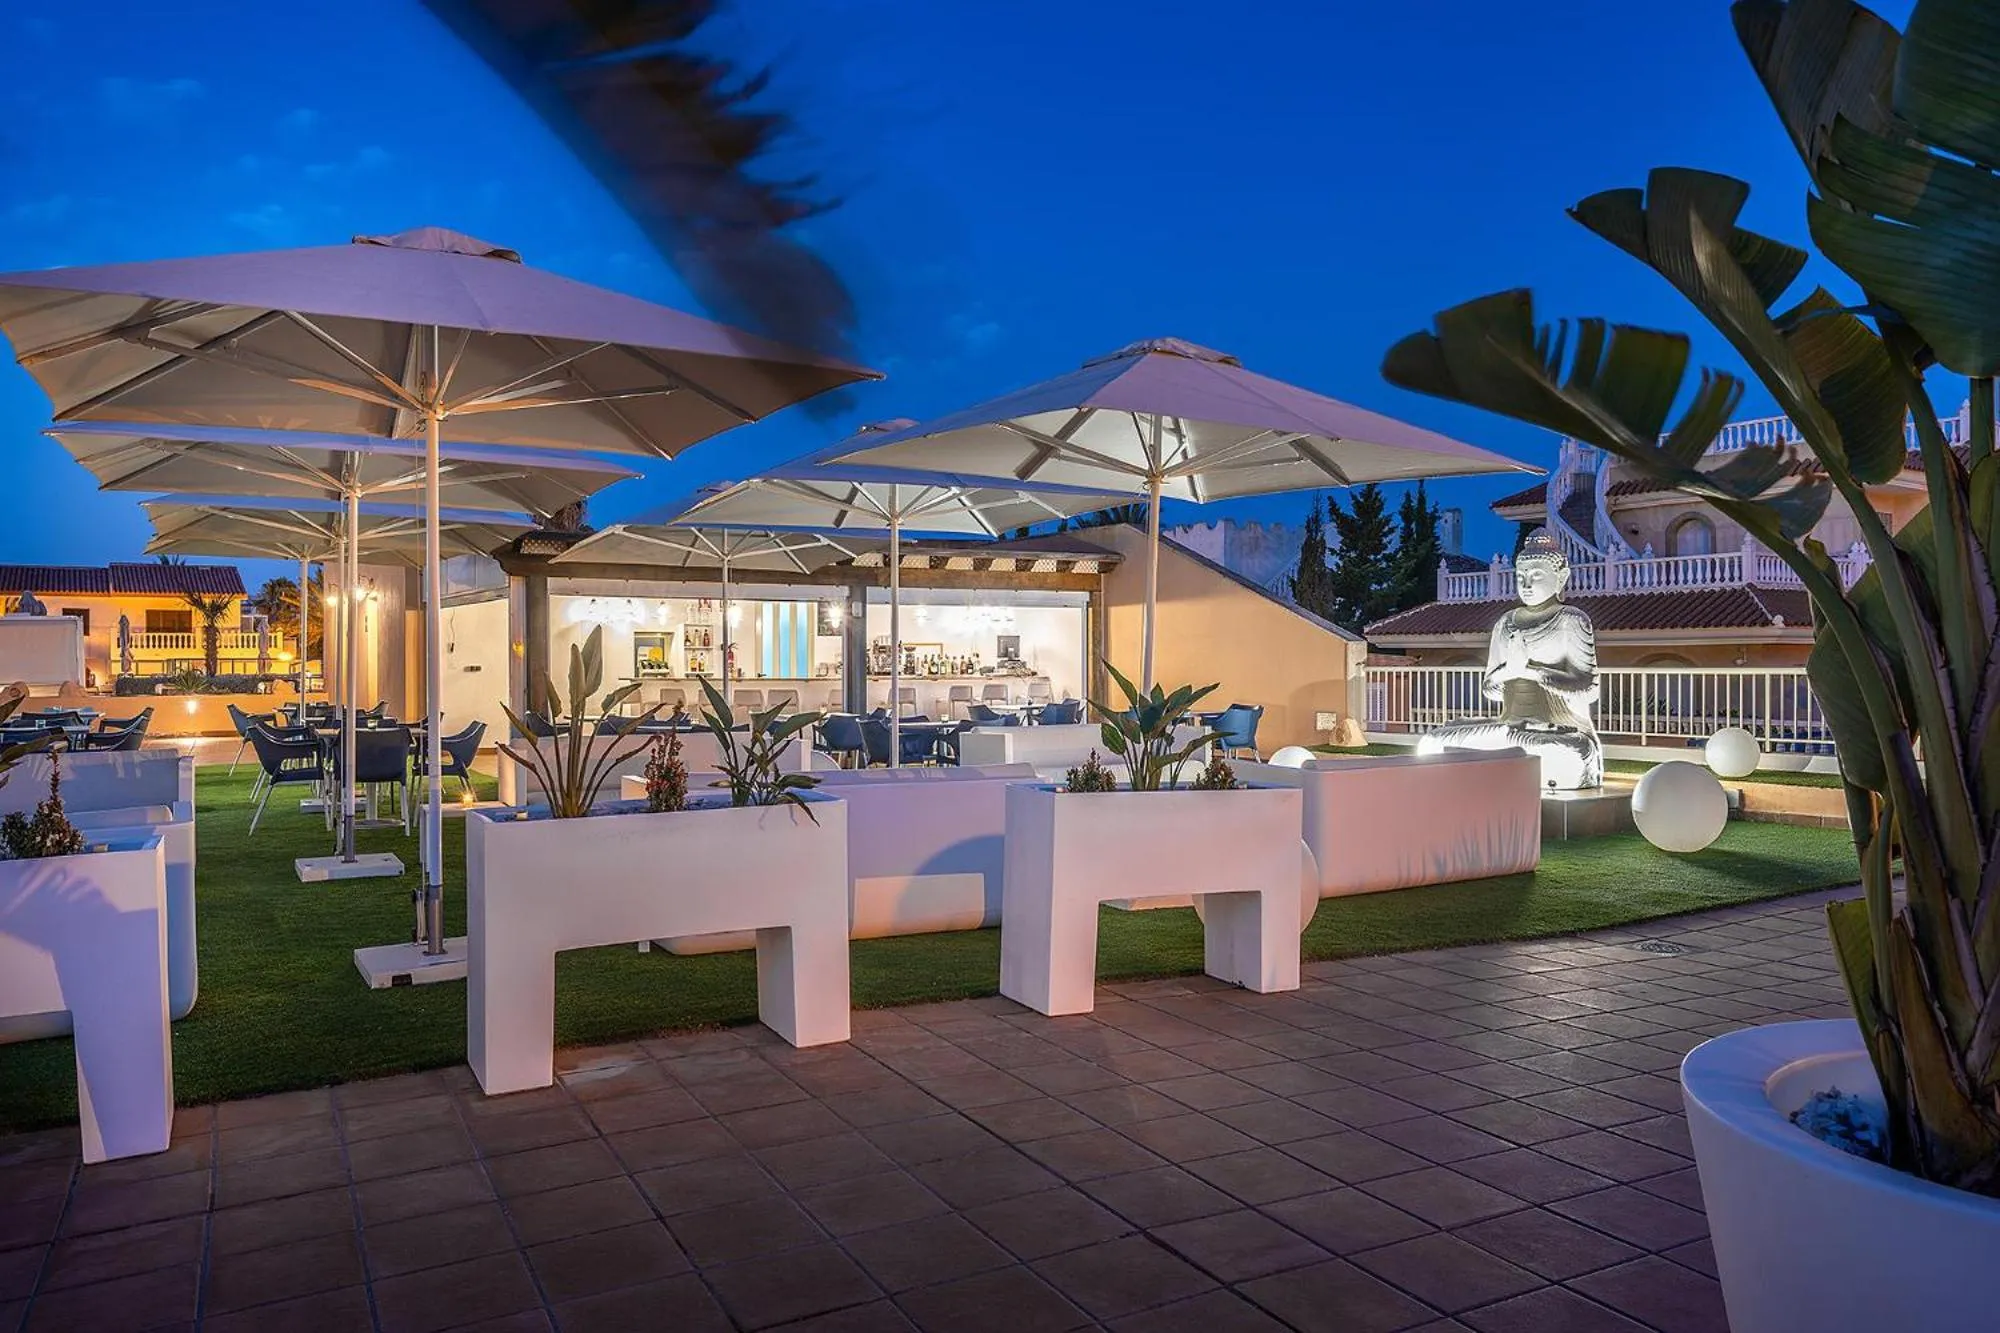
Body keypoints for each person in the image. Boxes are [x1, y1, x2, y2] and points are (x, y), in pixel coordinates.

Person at [1417, 527, 1601, 790]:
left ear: (1561, 578)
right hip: (1508, 727)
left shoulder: (1570, 620)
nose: (1526, 585)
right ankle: (1501, 761)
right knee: (1430, 743)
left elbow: (1589, 688)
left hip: (1558, 730)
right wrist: (1508, 672)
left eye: (1536, 576)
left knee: (1572, 754)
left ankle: (1499, 764)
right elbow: (1490, 688)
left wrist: (1530, 671)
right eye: (1521, 576)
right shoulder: (1506, 623)